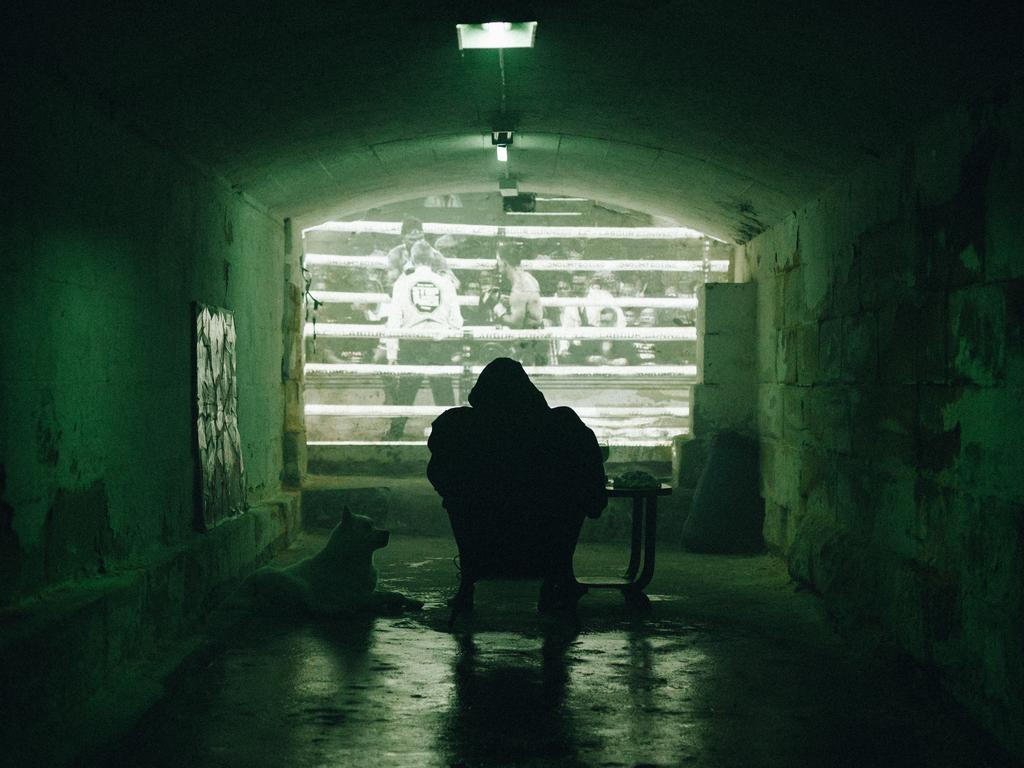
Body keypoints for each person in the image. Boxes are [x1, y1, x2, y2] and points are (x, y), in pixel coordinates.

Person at [427, 358, 607, 613]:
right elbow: (592, 493)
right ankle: (560, 578)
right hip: (545, 548)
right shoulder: (563, 426)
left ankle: (468, 585)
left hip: (484, 546)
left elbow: (439, 476)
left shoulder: (457, 428)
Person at [382, 241, 464, 439]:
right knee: (444, 394)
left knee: (405, 394)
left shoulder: (402, 283)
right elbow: (457, 321)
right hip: (439, 343)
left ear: (411, 259)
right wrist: (447, 337)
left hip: (412, 343)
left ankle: (394, 435)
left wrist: (391, 352)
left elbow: (394, 320)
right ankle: (455, 438)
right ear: (432, 259)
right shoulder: (445, 283)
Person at [493, 241, 548, 365]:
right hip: (534, 338)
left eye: (498, 260)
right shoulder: (528, 277)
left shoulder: (519, 288)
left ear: (505, 263)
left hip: (528, 344)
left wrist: (498, 309)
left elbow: (515, 324)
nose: (497, 264)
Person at [385, 216, 455, 289]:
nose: (417, 243)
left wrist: (437, 277)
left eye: (420, 239)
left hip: (431, 295)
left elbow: (454, 284)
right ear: (403, 239)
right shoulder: (396, 254)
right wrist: (407, 276)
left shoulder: (435, 255)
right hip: (404, 295)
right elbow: (391, 287)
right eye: (412, 240)